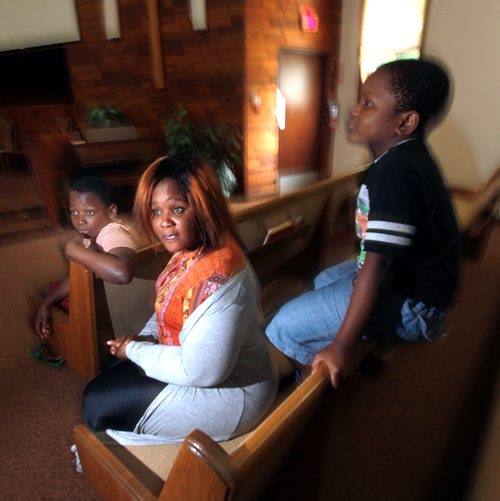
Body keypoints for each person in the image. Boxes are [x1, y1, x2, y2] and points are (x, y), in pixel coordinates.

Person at [266, 58, 460, 388]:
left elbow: (375, 268)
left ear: (405, 122)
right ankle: (347, 347)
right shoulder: (403, 159)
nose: (354, 110)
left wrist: (341, 344)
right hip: (416, 288)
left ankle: (314, 389)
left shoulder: (396, 173)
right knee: (325, 278)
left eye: (368, 103)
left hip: (416, 305)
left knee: (280, 326)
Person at [83, 156, 278, 444]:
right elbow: (166, 305)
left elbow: (200, 370)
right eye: (155, 211)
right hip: (204, 367)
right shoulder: (192, 252)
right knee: (113, 369)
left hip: (234, 395)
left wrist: (135, 349)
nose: (164, 223)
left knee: (95, 404)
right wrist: (146, 338)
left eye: (177, 209)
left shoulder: (220, 275)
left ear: (202, 207)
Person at [33, 175, 137, 365]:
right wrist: (46, 303)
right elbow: (81, 275)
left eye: (89, 212)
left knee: (50, 295)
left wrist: (73, 250)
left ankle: (64, 347)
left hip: (115, 311)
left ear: (111, 211)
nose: (80, 220)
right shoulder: (91, 233)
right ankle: (64, 337)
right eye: (74, 212)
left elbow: (121, 273)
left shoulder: (113, 232)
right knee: (48, 293)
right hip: (108, 301)